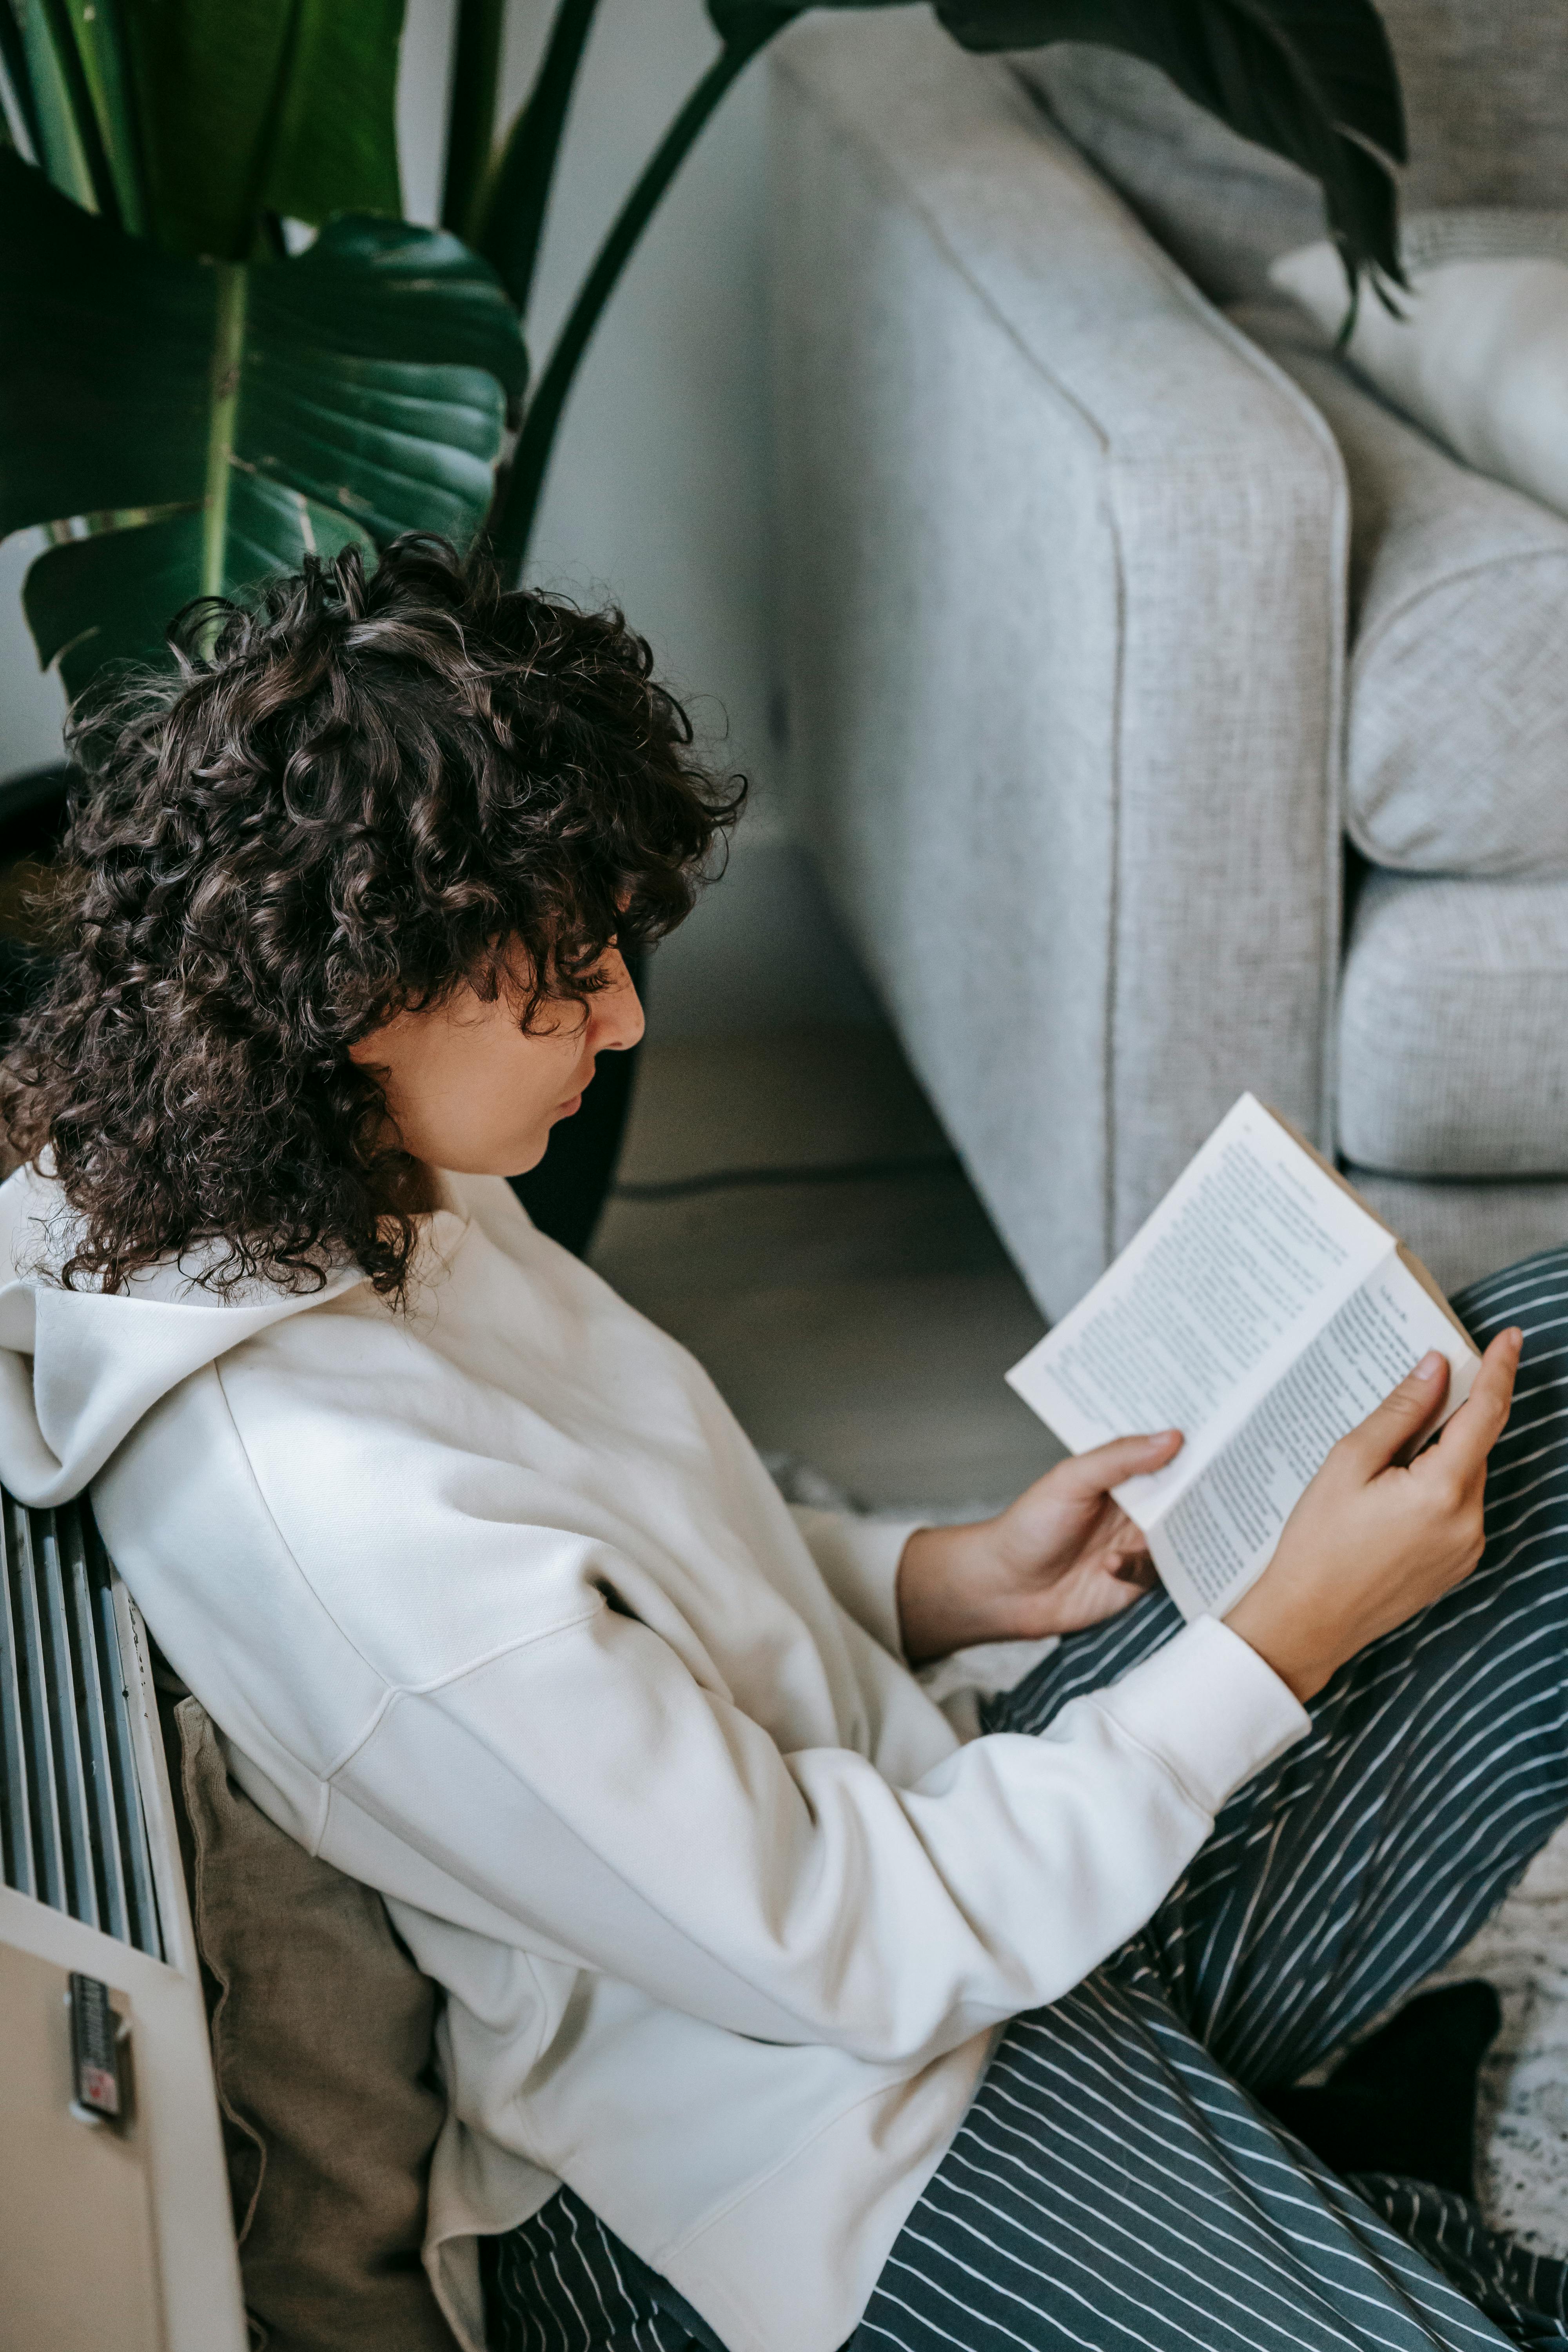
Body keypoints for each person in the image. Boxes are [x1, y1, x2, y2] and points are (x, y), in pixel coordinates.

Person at [0, 535, 1564, 2352]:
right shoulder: (337, 1516)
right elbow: (849, 1942)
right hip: (790, 2160)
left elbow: (622, 1571)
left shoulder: (337, 1171)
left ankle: (1263, 2172)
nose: (630, 1020)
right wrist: (1275, 1637)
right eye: (567, 980)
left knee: (1539, 1371)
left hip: (929, 1841)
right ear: (362, 998)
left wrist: (929, 1580)